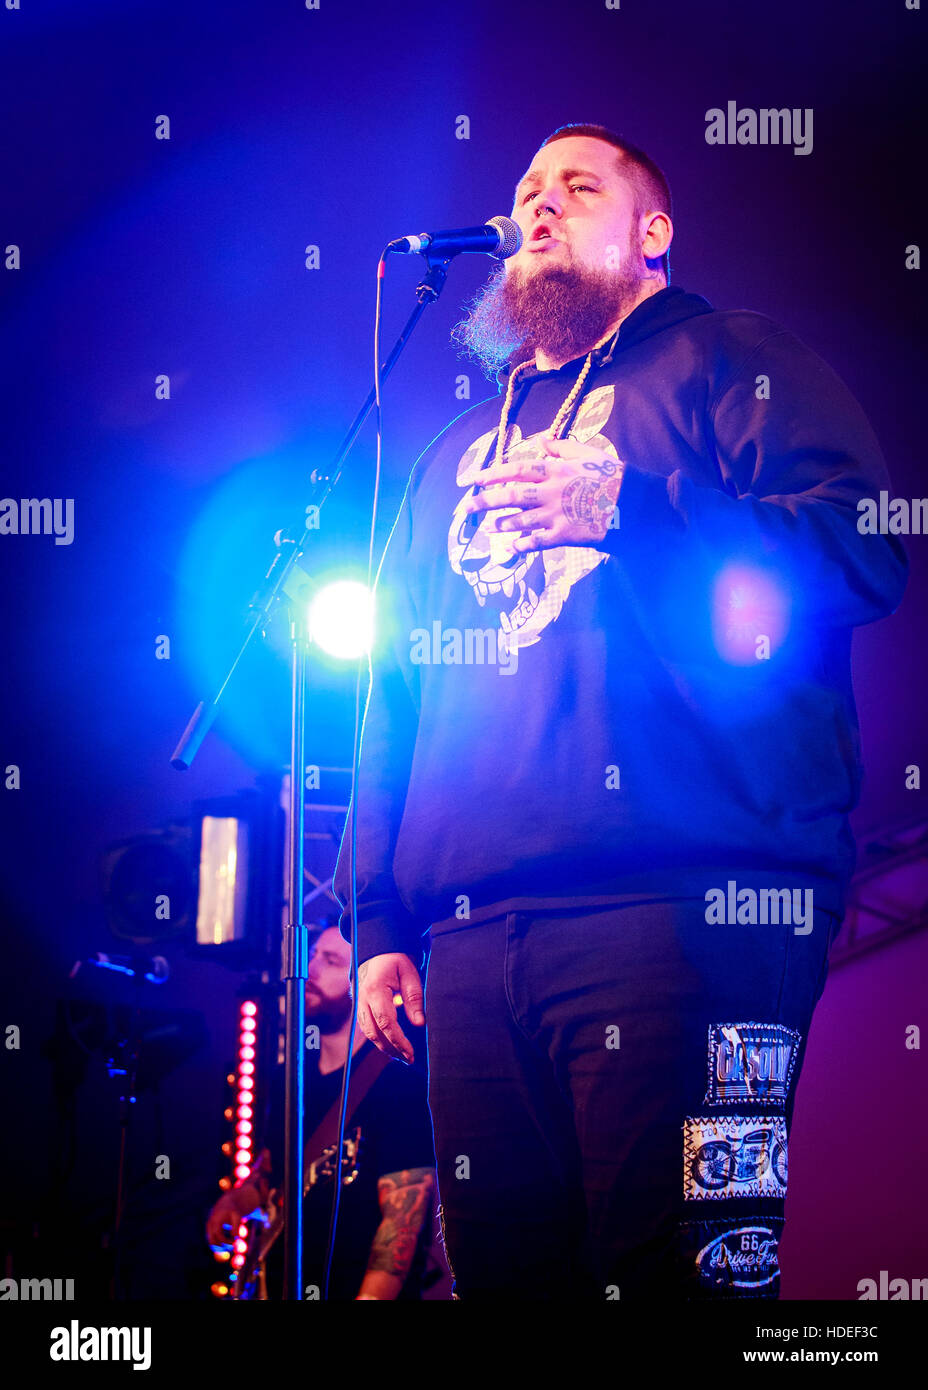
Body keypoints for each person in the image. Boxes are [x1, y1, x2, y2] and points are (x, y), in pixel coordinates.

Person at [333, 123, 908, 1300]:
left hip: (702, 913)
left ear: (652, 233)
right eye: (526, 190)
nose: (538, 206)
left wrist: (638, 510)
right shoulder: (454, 449)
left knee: (690, 1271)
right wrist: (380, 912)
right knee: (507, 1277)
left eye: (577, 186)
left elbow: (862, 556)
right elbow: (392, 692)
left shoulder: (729, 359)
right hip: (475, 935)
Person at [205, 926, 436, 1300]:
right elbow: (274, 1168)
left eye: (330, 961)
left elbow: (401, 1225)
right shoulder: (292, 1075)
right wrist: (237, 1200)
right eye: (313, 955)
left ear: (364, 981)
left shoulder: (397, 1081)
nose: (309, 969)